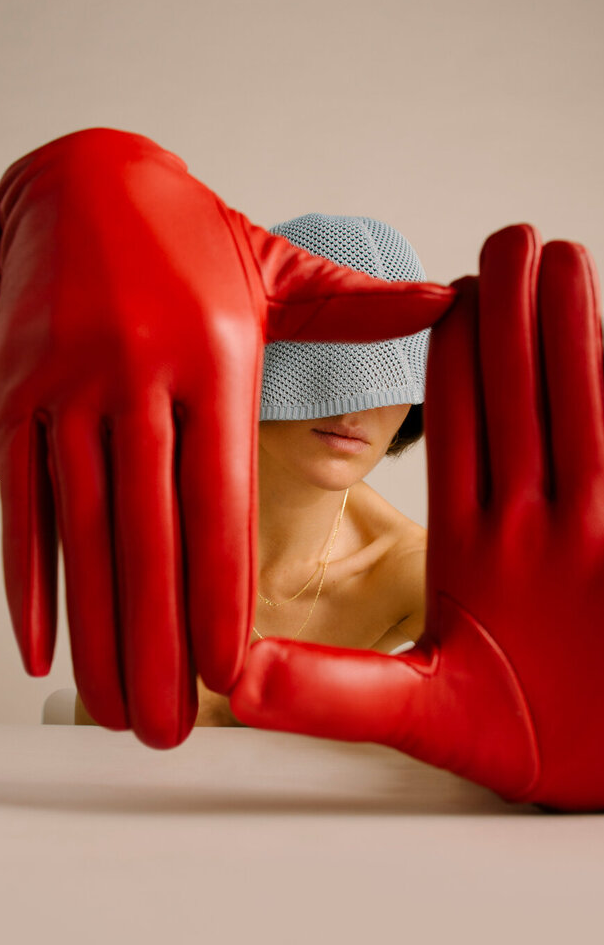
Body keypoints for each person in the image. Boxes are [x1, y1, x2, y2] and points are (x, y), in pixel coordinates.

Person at [75, 212, 432, 728]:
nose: (354, 409)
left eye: (385, 375)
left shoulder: (409, 571)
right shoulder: (136, 522)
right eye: (320, 363)